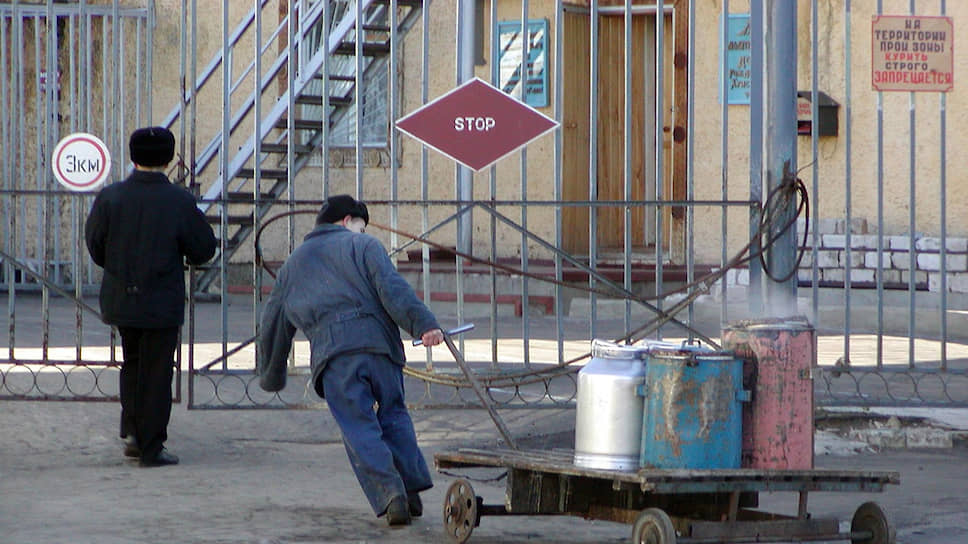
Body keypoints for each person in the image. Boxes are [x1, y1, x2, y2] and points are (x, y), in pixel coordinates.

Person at [257, 194, 444, 527]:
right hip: (380, 348)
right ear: (347, 221)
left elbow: (273, 323)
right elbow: (393, 290)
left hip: (335, 357)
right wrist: (424, 324)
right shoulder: (365, 247)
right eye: (360, 225)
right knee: (394, 414)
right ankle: (411, 485)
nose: (361, 231)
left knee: (359, 426)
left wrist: (271, 374)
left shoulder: (292, 266)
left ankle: (390, 494)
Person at [85, 126, 217, 467]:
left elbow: (95, 245)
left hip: (122, 296)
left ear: (132, 156)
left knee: (132, 363)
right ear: (169, 158)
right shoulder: (179, 200)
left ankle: (132, 432)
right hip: (161, 298)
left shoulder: (111, 196)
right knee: (158, 372)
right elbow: (203, 248)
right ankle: (150, 446)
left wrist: (117, 266)